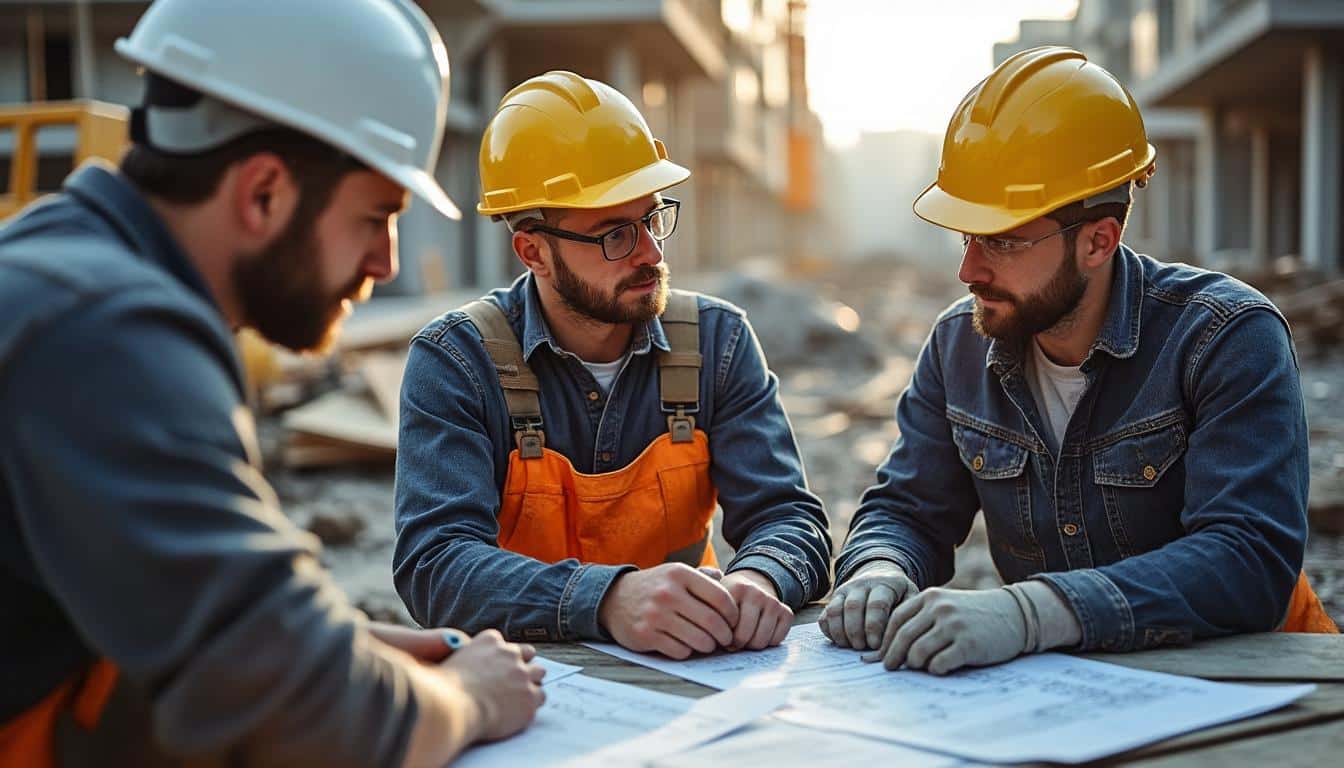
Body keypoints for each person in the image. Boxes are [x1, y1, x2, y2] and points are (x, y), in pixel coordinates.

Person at [0, 1, 544, 765]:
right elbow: (304, 715)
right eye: (375, 216)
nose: (386, 262)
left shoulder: (62, 266)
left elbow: (141, 595)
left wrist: (336, 641)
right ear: (263, 193)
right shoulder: (108, 334)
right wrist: (472, 698)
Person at [820, 46, 1338, 676]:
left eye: (1003, 242)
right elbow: (907, 509)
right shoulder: (959, 345)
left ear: (1098, 241)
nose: (968, 270)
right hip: (1071, 688)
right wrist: (880, 568)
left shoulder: (1225, 337)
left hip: (1261, 684)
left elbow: (1248, 560)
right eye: (967, 237)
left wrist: (1033, 613)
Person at [393, 71, 831, 660]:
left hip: (695, 671)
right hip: (524, 684)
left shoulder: (717, 343)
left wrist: (759, 580)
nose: (650, 252)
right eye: (614, 235)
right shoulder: (457, 362)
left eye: (652, 218)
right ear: (533, 251)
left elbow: (786, 515)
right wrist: (607, 600)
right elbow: (436, 564)